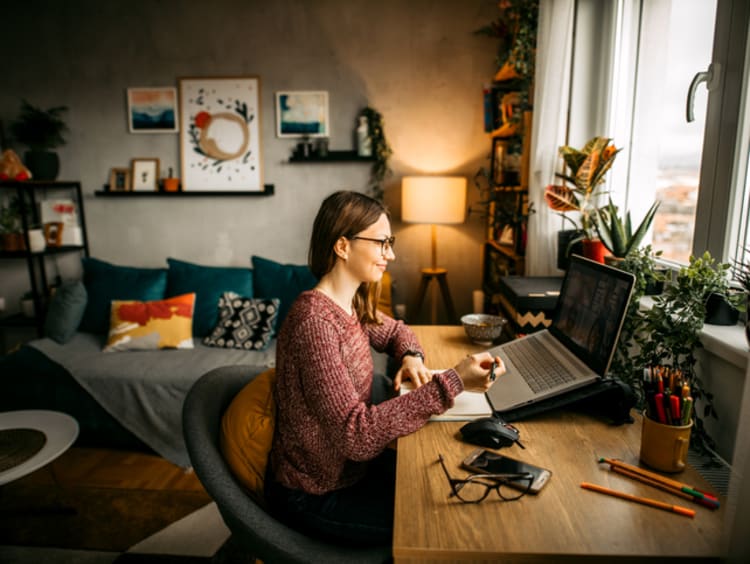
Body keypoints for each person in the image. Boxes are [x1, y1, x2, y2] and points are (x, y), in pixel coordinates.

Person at [265, 190, 504, 546]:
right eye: (381, 243)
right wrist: (453, 382)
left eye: (389, 243)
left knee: (452, 486)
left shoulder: (349, 304)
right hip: (316, 493)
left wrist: (411, 356)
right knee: (449, 527)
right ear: (343, 247)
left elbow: (396, 331)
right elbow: (357, 436)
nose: (390, 254)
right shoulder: (315, 323)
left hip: (352, 472)